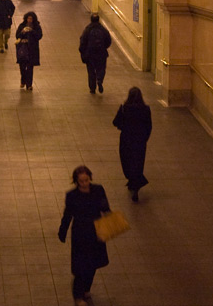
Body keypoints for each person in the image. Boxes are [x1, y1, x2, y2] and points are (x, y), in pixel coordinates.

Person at [58, 165, 110, 306]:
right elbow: (67, 215)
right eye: (82, 181)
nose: (85, 183)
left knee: (92, 264)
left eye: (86, 180)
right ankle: (78, 297)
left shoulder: (98, 190)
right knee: (81, 266)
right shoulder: (72, 196)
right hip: (80, 234)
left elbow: (105, 209)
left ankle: (86, 289)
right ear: (76, 181)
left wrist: (108, 228)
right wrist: (62, 231)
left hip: (96, 232)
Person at [112, 87, 152, 202]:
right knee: (138, 163)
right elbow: (149, 126)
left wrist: (122, 126)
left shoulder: (125, 108)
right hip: (140, 141)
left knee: (126, 161)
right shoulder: (146, 109)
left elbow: (115, 122)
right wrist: (144, 139)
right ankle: (135, 183)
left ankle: (132, 181)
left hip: (126, 139)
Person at [79, 13, 112, 93]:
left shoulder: (88, 29)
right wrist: (104, 48)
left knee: (91, 71)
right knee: (101, 68)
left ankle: (92, 88)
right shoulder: (103, 29)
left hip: (90, 54)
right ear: (98, 20)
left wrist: (82, 51)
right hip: (101, 54)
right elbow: (108, 40)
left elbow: (83, 42)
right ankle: (99, 80)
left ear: (91, 20)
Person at [15, 11, 42, 90]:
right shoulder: (22, 26)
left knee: (30, 68)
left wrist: (32, 31)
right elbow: (17, 36)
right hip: (23, 49)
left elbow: (39, 36)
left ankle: (29, 84)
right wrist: (23, 32)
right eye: (28, 18)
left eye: (31, 19)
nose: (29, 20)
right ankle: (23, 80)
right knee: (22, 67)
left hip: (32, 50)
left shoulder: (36, 27)